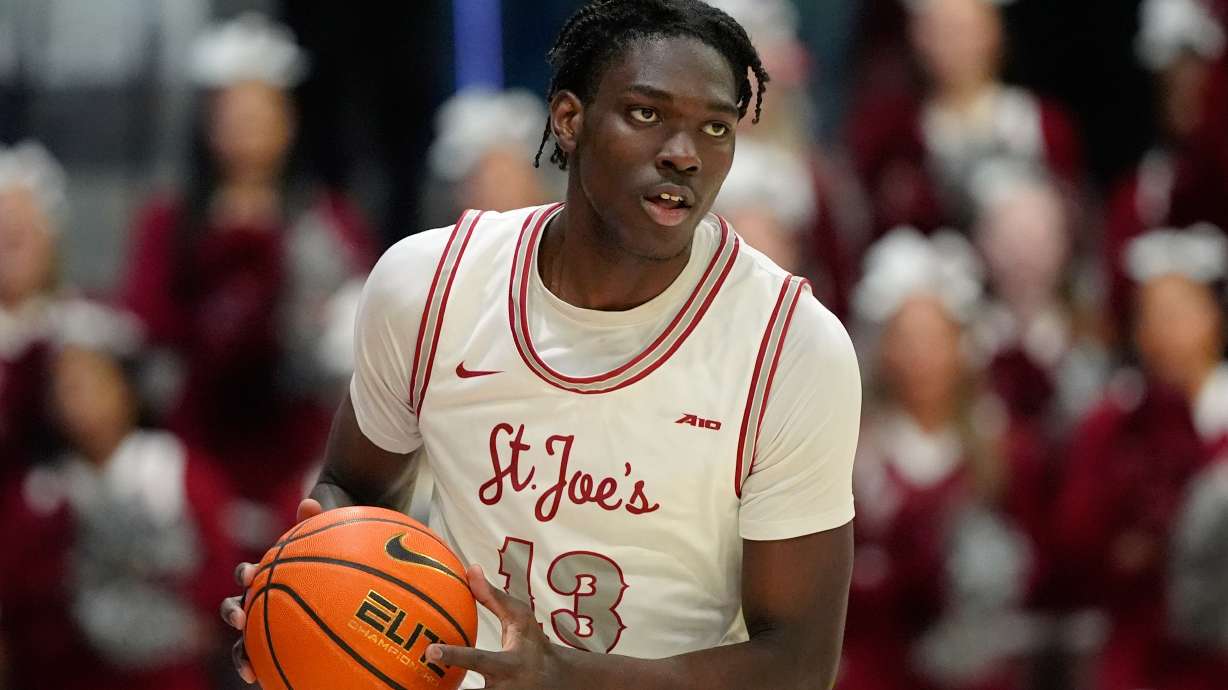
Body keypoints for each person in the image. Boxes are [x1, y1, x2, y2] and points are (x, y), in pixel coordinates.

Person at [221, 1, 862, 688]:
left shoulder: (791, 344)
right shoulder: (431, 287)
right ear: (569, 119)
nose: (684, 154)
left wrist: (565, 676)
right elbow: (357, 484)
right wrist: (307, 598)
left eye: (714, 127)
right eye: (648, 114)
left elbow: (797, 663)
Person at [120, 13, 377, 555]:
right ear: (209, 123)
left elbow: (360, 343)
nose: (247, 126)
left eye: (262, 112)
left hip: (301, 445)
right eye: (233, 113)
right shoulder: (169, 224)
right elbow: (146, 336)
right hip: (199, 442)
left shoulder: (327, 222)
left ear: (288, 121)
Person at [0, 300, 238, 690]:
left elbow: (221, 575)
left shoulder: (176, 470)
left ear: (126, 387)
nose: (76, 397)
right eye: (64, 385)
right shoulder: (38, 494)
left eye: (91, 379)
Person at [1054, 226, 1228, 690]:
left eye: (1180, 312)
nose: (1166, 331)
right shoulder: (1112, 421)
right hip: (1139, 647)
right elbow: (1077, 534)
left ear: (1214, 317)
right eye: (1152, 315)